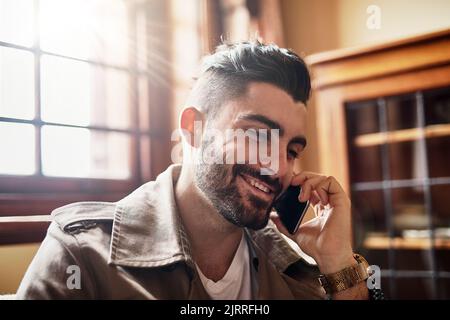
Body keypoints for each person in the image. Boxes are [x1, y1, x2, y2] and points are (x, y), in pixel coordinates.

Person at [17, 41, 371, 300]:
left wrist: (337, 261)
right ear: (194, 128)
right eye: (259, 136)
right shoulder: (80, 254)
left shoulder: (302, 270)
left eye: (292, 150)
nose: (278, 167)